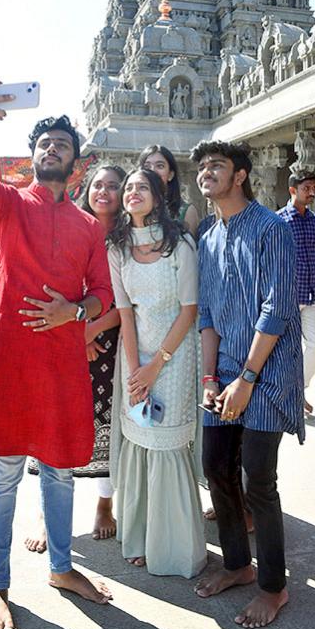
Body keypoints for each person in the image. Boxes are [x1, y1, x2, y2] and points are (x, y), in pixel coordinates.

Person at [0, 81, 114, 629]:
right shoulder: (7, 204)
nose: (52, 150)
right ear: (33, 155)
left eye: (62, 146)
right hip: (9, 357)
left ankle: (61, 569)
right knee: (2, 475)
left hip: (60, 363)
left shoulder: (88, 227)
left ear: (75, 165)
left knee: (59, 472)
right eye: (44, 143)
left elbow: (102, 294)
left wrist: (73, 311)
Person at [191, 140, 303, 629]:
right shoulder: (210, 238)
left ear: (240, 175)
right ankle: (238, 563)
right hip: (227, 373)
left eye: (216, 165)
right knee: (215, 465)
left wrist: (248, 379)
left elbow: (278, 307)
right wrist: (213, 377)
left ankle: (274, 587)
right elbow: (210, 314)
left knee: (258, 478)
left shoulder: (271, 228)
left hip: (269, 371)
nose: (206, 173)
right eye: (202, 167)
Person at [108, 167, 206, 578]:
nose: (133, 193)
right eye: (128, 187)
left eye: (141, 187)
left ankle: (174, 549)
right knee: (139, 440)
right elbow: (125, 314)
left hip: (176, 356)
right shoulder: (117, 249)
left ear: (158, 195)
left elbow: (190, 310)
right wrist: (135, 371)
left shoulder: (179, 244)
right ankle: (140, 536)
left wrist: (156, 365)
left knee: (165, 445)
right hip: (135, 357)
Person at [24, 163, 126, 552]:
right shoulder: (72, 225)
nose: (104, 192)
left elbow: (128, 300)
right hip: (61, 336)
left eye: (113, 186)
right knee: (52, 421)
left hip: (107, 339)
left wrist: (91, 330)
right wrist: (74, 331)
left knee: (104, 420)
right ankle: (46, 511)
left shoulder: (129, 237)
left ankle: (104, 503)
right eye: (97, 185)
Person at [277, 172, 315, 414]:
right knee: (287, 350)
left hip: (313, 296)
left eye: (313, 188)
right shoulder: (278, 221)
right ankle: (289, 394)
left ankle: (296, 389)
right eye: (306, 188)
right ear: (292, 190)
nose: (311, 192)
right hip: (288, 297)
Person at [139, 144, 200, 235]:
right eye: (147, 166)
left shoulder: (186, 211)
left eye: (160, 166)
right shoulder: (133, 207)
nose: (152, 170)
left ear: (170, 175)